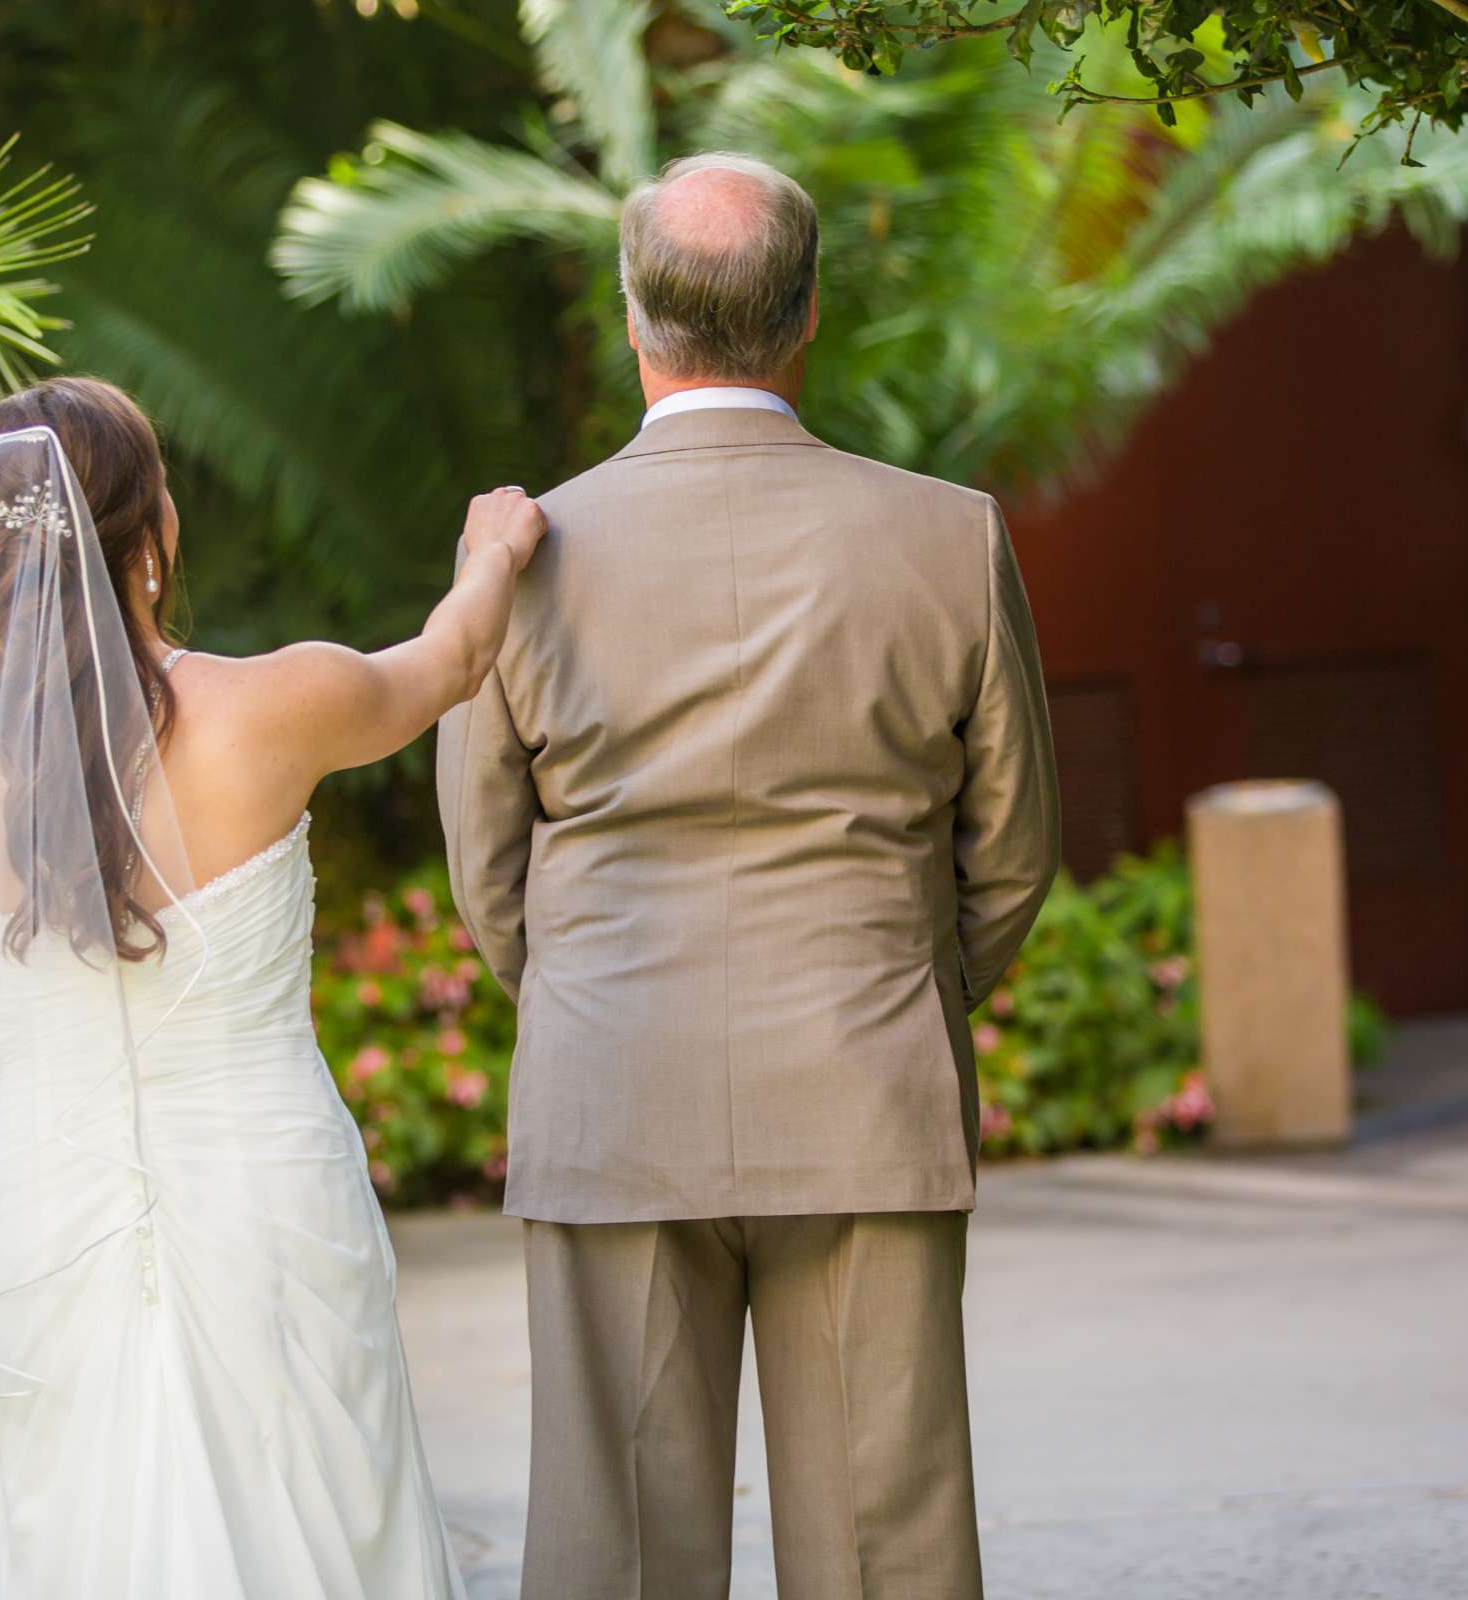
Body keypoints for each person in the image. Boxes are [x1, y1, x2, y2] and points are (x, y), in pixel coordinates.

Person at [438, 152, 1062, 1600]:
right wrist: (898, 993)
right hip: (865, 1077)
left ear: (633, 321)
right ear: (811, 316)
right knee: (881, 1550)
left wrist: (589, 993)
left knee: (620, 1558)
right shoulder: (947, 536)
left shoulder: (521, 556)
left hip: (613, 1085)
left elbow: (486, 863)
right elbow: (1014, 850)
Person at [0, 375, 543, 1597]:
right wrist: (493, 549)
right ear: (152, 543)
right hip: (269, 1203)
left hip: (42, 1229)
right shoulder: (281, 704)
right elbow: (453, 659)